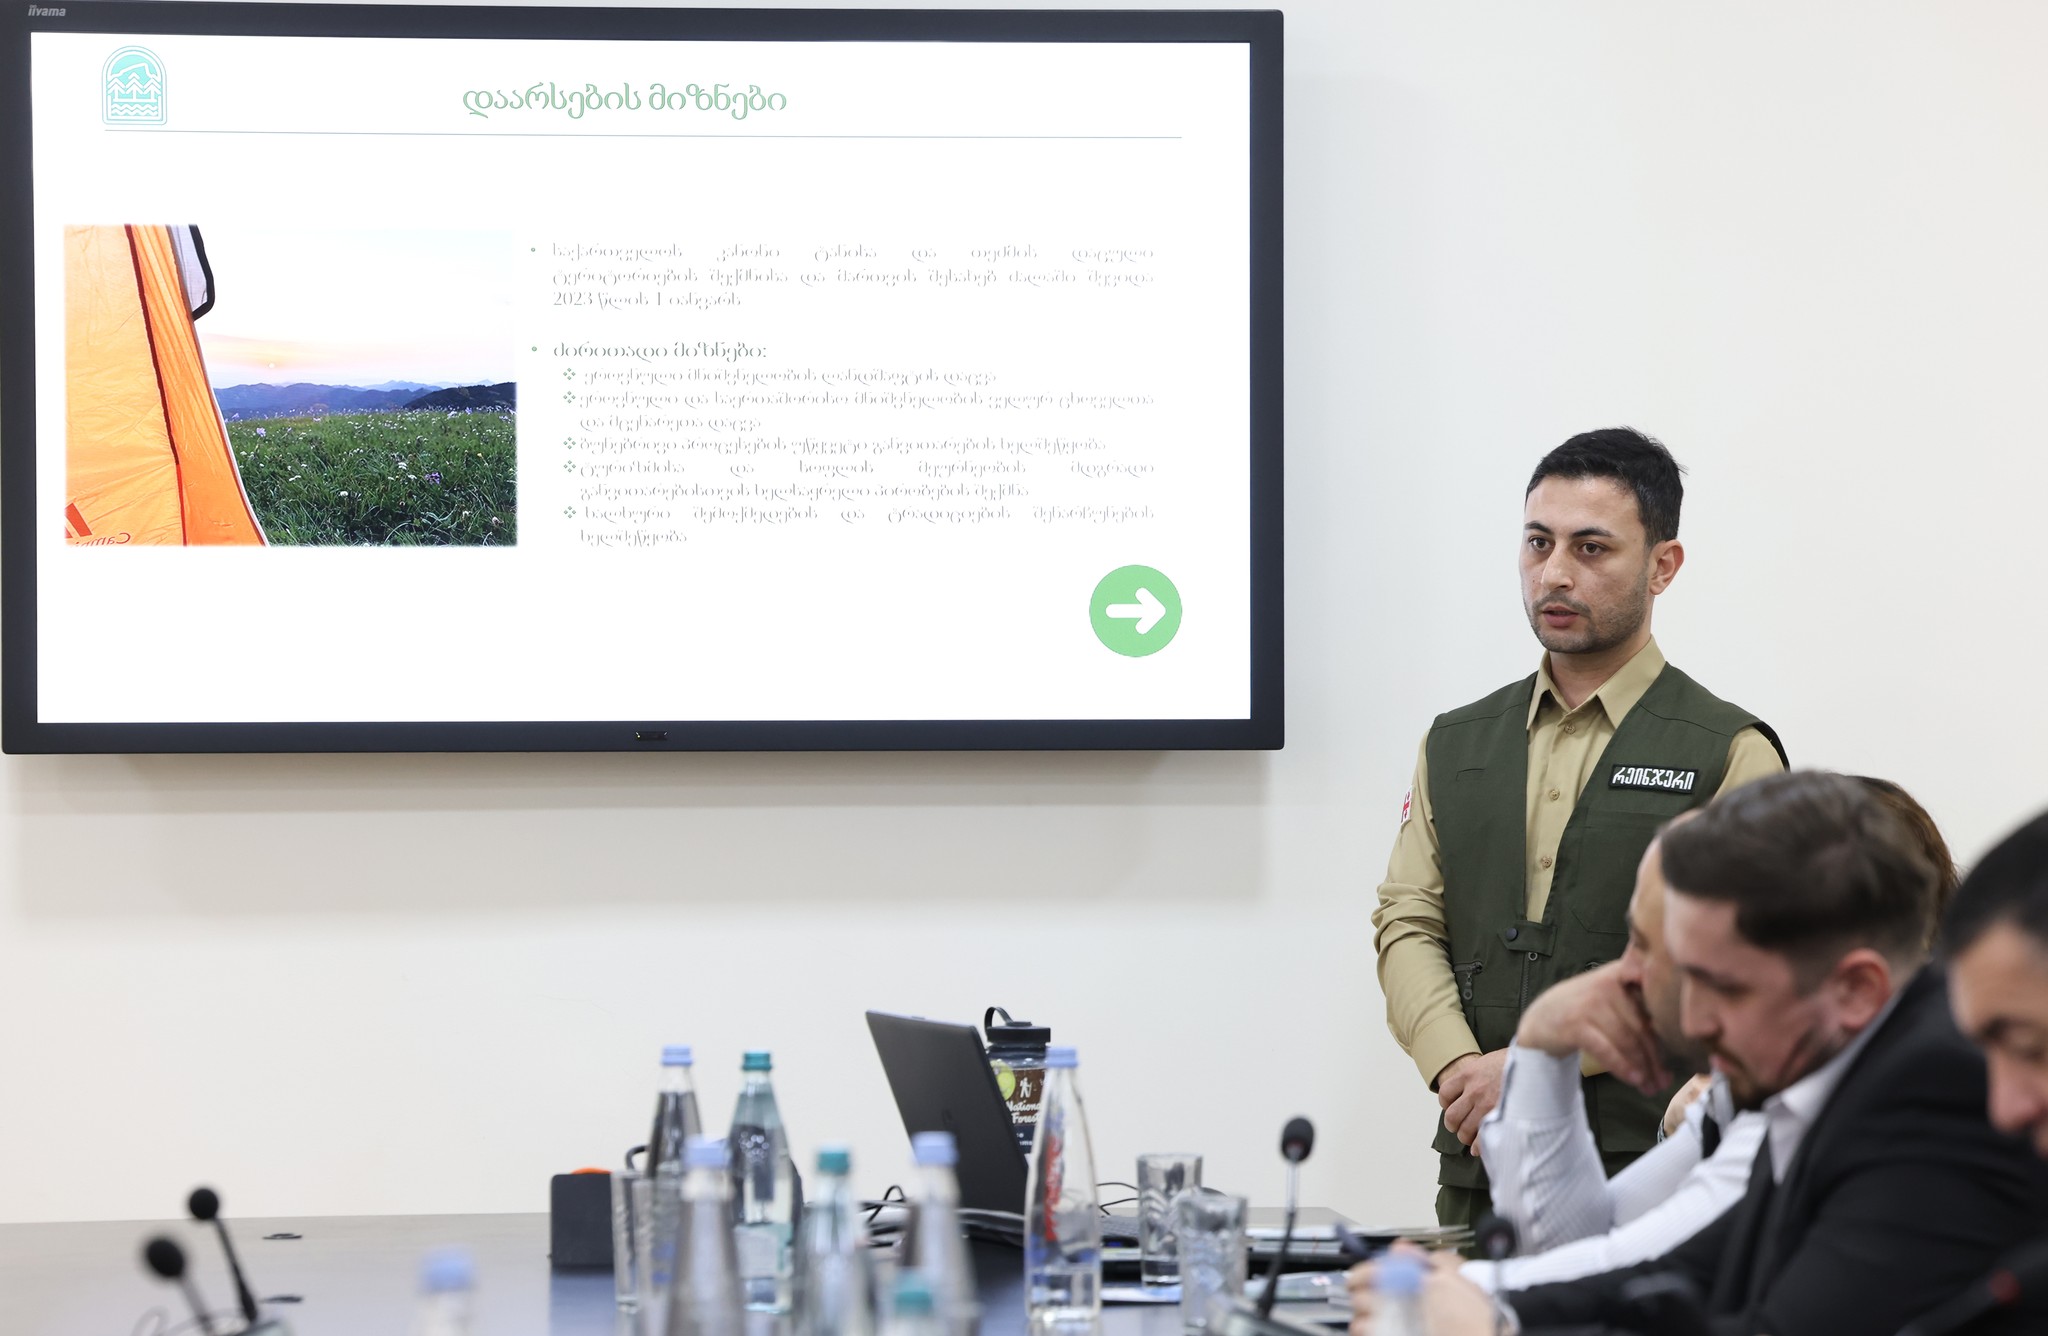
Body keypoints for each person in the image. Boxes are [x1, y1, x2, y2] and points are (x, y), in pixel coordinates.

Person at [1350, 772, 2048, 1336]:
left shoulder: (1928, 1087)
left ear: (1857, 990)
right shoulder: (1812, 1073)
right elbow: (1685, 1269)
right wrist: (1488, 1301)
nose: (1690, 1020)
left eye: (1725, 988)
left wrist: (1492, 1320)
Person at [1371, 427, 1786, 1231]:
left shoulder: (1728, 750)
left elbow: (1748, 965)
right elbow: (1408, 918)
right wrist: (1459, 1068)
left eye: (1591, 548)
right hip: (1481, 1163)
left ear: (1663, 566)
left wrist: (1536, 1069)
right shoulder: (1455, 743)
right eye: (1539, 543)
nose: (1555, 573)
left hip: (1655, 1168)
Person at [1473, 776, 1958, 1289]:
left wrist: (1448, 1290)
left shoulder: (1850, 1091)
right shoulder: (1759, 1078)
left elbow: (1596, 1277)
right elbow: (1575, 1256)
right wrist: (1543, 1044)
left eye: (1649, 945)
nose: (1624, 973)